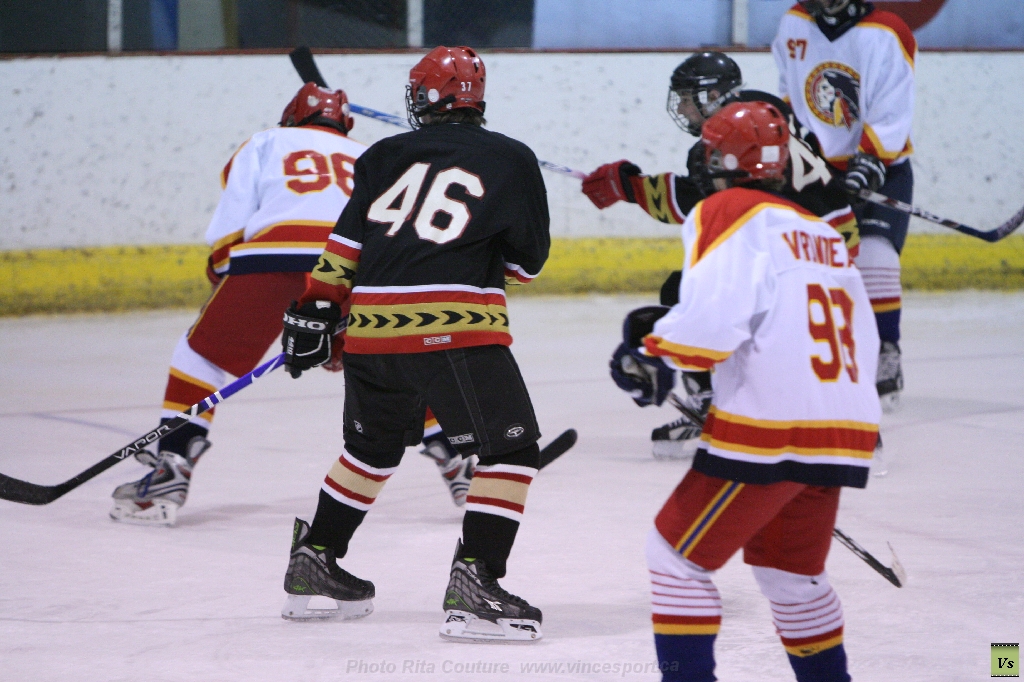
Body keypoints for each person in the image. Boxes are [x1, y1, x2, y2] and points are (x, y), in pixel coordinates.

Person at [277, 46, 550, 643]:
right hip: (455, 330)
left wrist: (317, 308)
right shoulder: (512, 157)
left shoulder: (381, 154)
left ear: (423, 98)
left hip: (371, 334)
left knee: (370, 451)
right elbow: (527, 265)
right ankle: (476, 583)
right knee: (512, 451)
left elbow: (346, 246)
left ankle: (315, 559)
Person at [109, 83, 474, 526]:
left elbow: (230, 226)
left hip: (273, 258)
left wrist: (227, 286)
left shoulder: (265, 141)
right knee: (402, 364)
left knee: (200, 356)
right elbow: (390, 229)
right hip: (356, 268)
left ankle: (171, 468)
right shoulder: (369, 153)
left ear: (291, 117)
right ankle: (460, 461)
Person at [610, 101, 880, 682]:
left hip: (773, 430)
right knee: (790, 575)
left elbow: (715, 319)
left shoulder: (728, 209)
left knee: (674, 557)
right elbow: (857, 332)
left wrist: (653, 353)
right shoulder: (819, 229)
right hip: (846, 426)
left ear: (721, 161)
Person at [582, 51, 857, 460]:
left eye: (687, 99)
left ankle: (711, 403)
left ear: (712, 96)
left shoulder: (726, 144)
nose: (681, 108)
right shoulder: (766, 111)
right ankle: (828, 408)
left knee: (689, 291)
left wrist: (629, 188)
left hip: (796, 248)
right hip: (833, 242)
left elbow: (698, 204)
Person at [773, 0, 917, 410]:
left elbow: (892, 106)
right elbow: (789, 91)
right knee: (809, 265)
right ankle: (822, 357)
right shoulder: (795, 22)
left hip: (882, 168)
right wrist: (793, 145)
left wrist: (869, 161)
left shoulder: (887, 31)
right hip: (816, 170)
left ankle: (886, 350)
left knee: (875, 254)